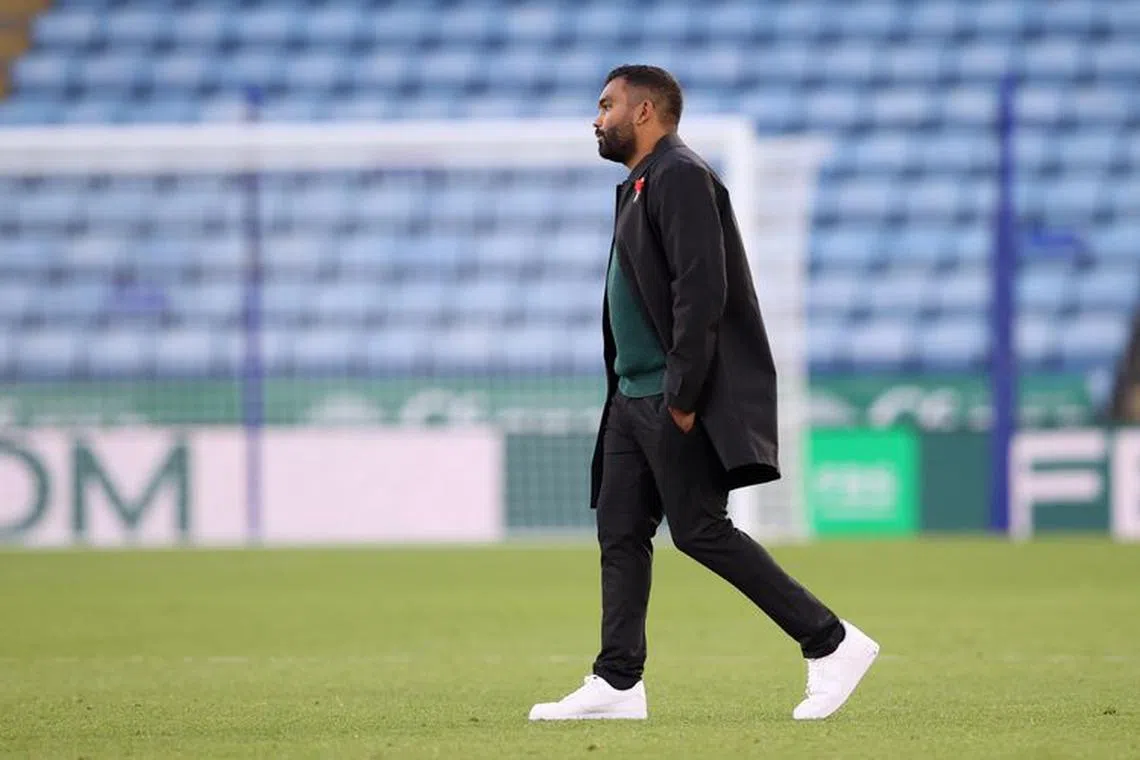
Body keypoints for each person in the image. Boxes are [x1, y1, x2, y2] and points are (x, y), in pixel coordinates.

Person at [528, 65, 879, 722]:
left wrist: (684, 395)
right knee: (620, 530)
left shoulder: (681, 176)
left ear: (645, 111)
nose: (595, 117)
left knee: (700, 531)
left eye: (607, 105)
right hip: (630, 395)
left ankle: (832, 643)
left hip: (668, 394)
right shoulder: (636, 184)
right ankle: (618, 682)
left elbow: (701, 290)